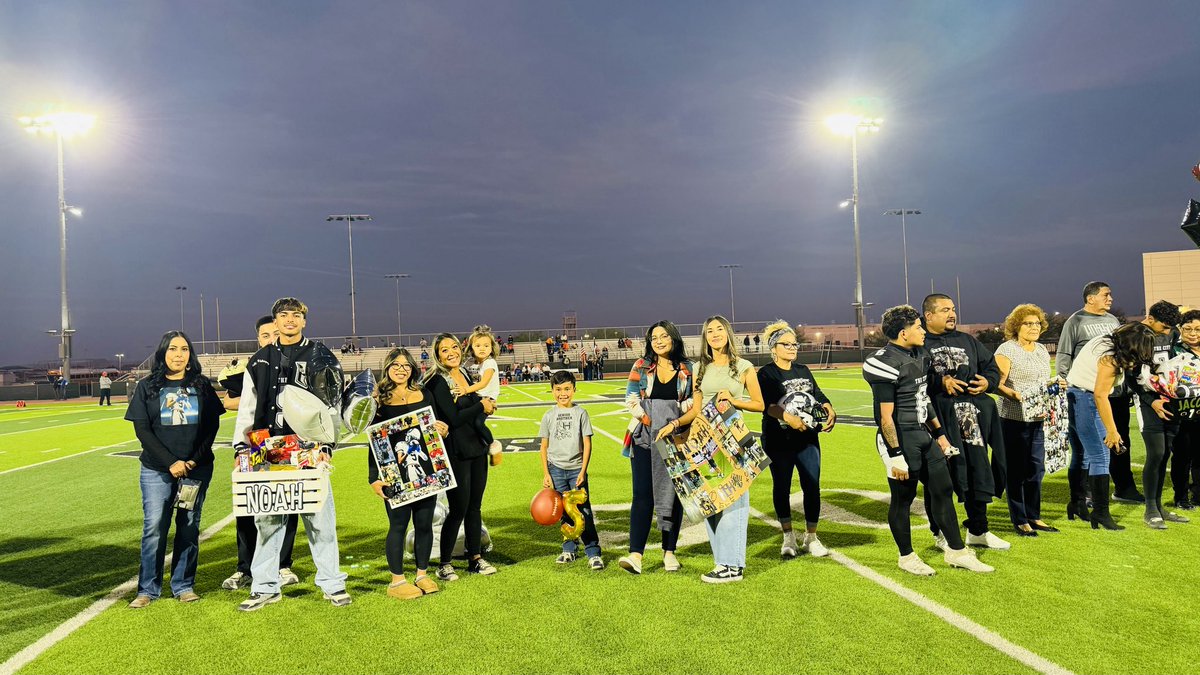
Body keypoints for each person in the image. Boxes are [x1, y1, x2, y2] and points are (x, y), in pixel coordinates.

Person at [234, 297, 351, 611]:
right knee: (268, 521)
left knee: (320, 519)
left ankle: (332, 583)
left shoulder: (320, 354)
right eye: (283, 315)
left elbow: (332, 404)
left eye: (296, 315)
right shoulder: (259, 359)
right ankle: (264, 587)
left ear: (304, 320)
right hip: (268, 449)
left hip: (309, 446)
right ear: (275, 321)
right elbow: (247, 407)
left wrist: (327, 446)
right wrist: (240, 447)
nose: (289, 320)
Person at [863, 305, 992, 575]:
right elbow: (885, 417)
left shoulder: (920, 354)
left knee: (943, 490)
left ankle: (956, 551)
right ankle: (906, 556)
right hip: (900, 437)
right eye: (917, 327)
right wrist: (895, 454)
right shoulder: (885, 361)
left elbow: (923, 399)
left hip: (923, 433)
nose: (922, 331)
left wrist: (941, 435)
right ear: (903, 333)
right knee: (903, 499)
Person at [124, 331, 224, 608]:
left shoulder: (202, 385)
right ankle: (147, 589)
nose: (178, 354)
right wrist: (170, 462)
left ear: (190, 355)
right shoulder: (147, 386)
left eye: (183, 349)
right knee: (155, 527)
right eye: (172, 349)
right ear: (162, 353)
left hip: (195, 470)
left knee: (188, 526)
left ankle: (183, 585)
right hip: (157, 469)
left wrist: (192, 461)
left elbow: (211, 427)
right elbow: (142, 430)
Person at [668, 316, 763, 583]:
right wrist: (675, 425)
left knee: (734, 500)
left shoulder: (743, 366)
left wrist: (734, 401)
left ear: (728, 333)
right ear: (705, 337)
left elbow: (759, 404)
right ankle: (721, 562)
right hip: (705, 442)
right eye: (709, 331)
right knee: (710, 501)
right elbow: (696, 410)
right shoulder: (699, 368)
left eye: (719, 329)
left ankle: (733, 565)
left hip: (732, 438)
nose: (715, 334)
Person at [220, 315, 302, 592]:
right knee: (248, 505)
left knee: (287, 502)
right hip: (256, 444)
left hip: (288, 444)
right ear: (258, 338)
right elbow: (235, 404)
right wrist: (240, 445)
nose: (271, 340)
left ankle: (282, 565)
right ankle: (245, 568)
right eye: (265, 335)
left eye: (274, 334)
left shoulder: (295, 365)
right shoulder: (254, 365)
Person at [922, 294, 1010, 551]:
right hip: (938, 422)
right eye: (945, 310)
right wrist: (940, 382)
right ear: (929, 315)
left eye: (953, 309)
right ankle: (940, 533)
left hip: (971, 419)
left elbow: (991, 367)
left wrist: (987, 382)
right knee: (939, 478)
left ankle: (978, 530)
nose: (952, 314)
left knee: (977, 470)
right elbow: (911, 377)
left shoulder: (968, 340)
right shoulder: (919, 341)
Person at [371, 347, 450, 599]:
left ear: (413, 369)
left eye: (406, 365)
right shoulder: (378, 400)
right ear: (387, 368)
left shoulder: (424, 393)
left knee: (424, 524)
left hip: (426, 469)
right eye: (395, 365)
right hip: (394, 472)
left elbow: (436, 426)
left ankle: (422, 575)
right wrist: (374, 478)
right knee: (398, 525)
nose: (401, 370)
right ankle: (397, 581)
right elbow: (374, 442)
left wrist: (443, 430)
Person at [1056, 282, 1143, 505]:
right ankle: (1086, 494)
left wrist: (1125, 388)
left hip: (1115, 393)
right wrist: (1066, 383)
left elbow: (1123, 355)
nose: (1110, 299)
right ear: (1090, 298)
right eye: (1106, 294)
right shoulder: (1075, 321)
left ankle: (1124, 487)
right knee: (1090, 447)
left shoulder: (1112, 320)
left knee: (1119, 438)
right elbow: (1064, 355)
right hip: (1087, 391)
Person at [756, 320, 836, 558]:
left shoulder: (803, 369)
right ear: (774, 347)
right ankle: (788, 536)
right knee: (782, 486)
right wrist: (788, 417)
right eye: (786, 344)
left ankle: (811, 537)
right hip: (778, 439)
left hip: (807, 438)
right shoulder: (766, 373)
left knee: (811, 486)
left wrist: (828, 407)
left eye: (794, 344)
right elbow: (767, 405)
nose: (792, 348)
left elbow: (817, 394)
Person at [1065, 322, 1157, 530]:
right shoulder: (1110, 359)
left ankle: (1077, 503)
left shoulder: (1106, 340)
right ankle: (1100, 512)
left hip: (1074, 395)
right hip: (1086, 400)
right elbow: (1100, 395)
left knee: (1081, 455)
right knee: (1100, 457)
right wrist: (1112, 431)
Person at [618, 321, 692, 575]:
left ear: (673, 338)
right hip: (643, 436)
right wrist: (652, 421)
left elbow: (691, 402)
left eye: (664, 336)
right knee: (642, 494)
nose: (658, 341)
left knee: (674, 495)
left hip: (676, 438)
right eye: (654, 337)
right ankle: (635, 554)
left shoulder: (688, 368)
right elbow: (631, 399)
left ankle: (669, 552)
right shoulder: (641, 365)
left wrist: (670, 422)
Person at [423, 332, 499, 580]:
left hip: (476, 447)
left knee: (475, 507)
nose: (451, 353)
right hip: (456, 451)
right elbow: (453, 419)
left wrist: (486, 405)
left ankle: (475, 558)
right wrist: (480, 406)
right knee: (458, 508)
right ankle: (444, 564)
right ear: (437, 355)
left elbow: (471, 407)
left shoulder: (465, 373)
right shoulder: (436, 381)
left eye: (454, 347)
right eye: (444, 350)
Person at [994, 304, 1057, 537]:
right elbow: (997, 384)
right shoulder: (1006, 350)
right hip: (1014, 418)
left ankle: (1034, 515)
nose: (1034, 327)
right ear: (1016, 326)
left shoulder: (1041, 350)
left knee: (1036, 468)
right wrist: (1017, 396)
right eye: (1028, 323)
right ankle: (1020, 518)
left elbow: (1043, 382)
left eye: (1037, 323)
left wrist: (1055, 386)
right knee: (1016, 470)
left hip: (1039, 418)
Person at [538, 370, 603, 569]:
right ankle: (568, 549)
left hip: (576, 470)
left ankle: (593, 551)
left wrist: (583, 471)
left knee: (583, 511)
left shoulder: (581, 413)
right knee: (564, 512)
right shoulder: (548, 415)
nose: (563, 393)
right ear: (552, 391)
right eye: (558, 389)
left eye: (567, 389)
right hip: (556, 469)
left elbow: (587, 443)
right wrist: (546, 473)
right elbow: (543, 447)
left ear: (574, 389)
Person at [1133, 301, 1188, 528]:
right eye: (1163, 326)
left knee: (1165, 454)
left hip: (1170, 399)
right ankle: (1150, 509)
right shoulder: (1135, 336)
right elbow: (1131, 377)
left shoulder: (1172, 333)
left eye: (1170, 327)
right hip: (1148, 401)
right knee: (1156, 453)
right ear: (1150, 318)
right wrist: (1151, 400)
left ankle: (1158, 507)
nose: (1167, 332)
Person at [458, 325, 504, 466]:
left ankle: (494, 445)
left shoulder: (490, 363)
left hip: (487, 399)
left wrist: (465, 390)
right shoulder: (469, 362)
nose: (482, 348)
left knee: (478, 423)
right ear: (471, 347)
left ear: (492, 348)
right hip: (474, 399)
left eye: (486, 345)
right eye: (478, 345)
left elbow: (483, 383)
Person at [1171, 310, 1200, 511]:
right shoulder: (1173, 351)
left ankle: (1198, 494)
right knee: (1183, 455)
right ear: (1180, 329)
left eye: (1197, 329)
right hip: (1183, 413)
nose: (1193, 333)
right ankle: (1181, 497)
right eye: (1188, 329)